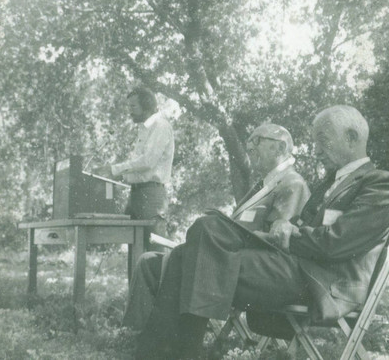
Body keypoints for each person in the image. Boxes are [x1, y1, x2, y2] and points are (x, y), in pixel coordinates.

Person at [131, 106, 389, 359]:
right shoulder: (329, 182)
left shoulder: (379, 183)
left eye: (323, 140)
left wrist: (290, 232)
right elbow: (300, 226)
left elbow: (335, 243)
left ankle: (166, 352)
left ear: (352, 138)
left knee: (193, 256)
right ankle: (171, 353)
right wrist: (282, 231)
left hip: (324, 281)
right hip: (295, 267)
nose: (316, 150)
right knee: (205, 229)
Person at [123, 123, 310, 336]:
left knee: (168, 263)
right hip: (223, 257)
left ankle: (166, 343)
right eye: (249, 141)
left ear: (280, 147)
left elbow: (277, 243)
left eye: (257, 140)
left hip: (242, 267)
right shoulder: (265, 184)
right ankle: (136, 335)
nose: (249, 147)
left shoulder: (292, 184)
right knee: (148, 261)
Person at [107, 86, 174, 247]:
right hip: (136, 194)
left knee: (154, 249)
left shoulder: (161, 126)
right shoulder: (144, 129)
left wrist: (114, 170)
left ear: (146, 106)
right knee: (134, 249)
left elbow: (148, 161)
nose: (129, 111)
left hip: (152, 196)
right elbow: (140, 168)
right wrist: (120, 176)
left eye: (133, 106)